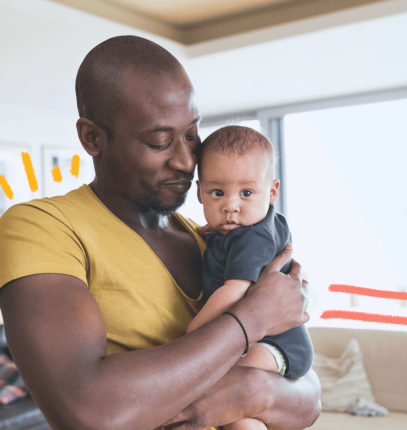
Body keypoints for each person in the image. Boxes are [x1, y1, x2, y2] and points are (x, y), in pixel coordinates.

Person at [0, 36, 320, 430]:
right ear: (92, 138)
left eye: (191, 134)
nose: (188, 161)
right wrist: (251, 319)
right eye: (160, 141)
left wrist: (250, 389)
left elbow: (309, 397)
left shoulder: (214, 238)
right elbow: (86, 411)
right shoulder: (42, 228)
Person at [187, 125, 314, 430]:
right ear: (200, 192)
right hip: (266, 340)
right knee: (239, 418)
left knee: (223, 386)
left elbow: (234, 290)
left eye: (246, 193)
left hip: (277, 345)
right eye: (218, 193)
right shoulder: (251, 226)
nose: (231, 206)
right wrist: (210, 231)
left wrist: (194, 332)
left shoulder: (252, 238)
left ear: (271, 192)